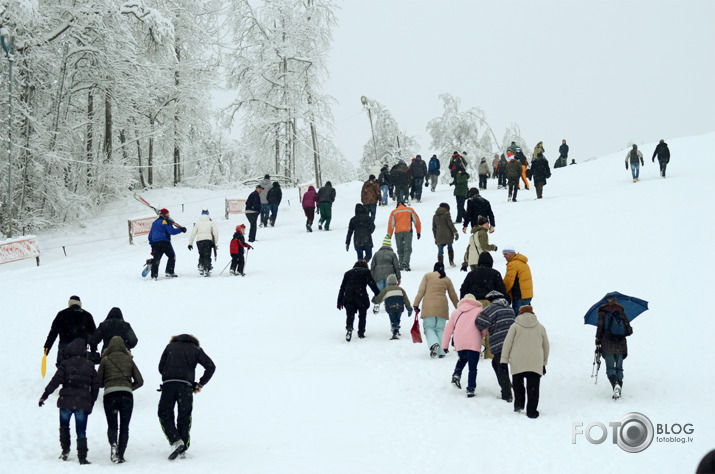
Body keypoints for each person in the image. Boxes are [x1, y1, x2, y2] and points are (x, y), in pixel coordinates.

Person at [39, 338, 100, 464]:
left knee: (64, 427)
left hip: (66, 402)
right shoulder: (89, 365)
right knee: (81, 431)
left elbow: (55, 381)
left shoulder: (65, 364)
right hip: (82, 403)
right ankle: (82, 457)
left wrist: (45, 395)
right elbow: (95, 386)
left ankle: (65, 451)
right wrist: (91, 401)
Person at [158, 334, 216, 460]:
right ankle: (182, 448)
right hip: (186, 386)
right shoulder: (195, 349)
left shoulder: (170, 347)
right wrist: (200, 383)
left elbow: (160, 367)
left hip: (169, 385)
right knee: (184, 416)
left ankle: (175, 440)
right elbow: (211, 366)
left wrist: (169, 374)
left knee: (164, 413)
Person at [97, 336, 143, 464]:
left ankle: (113, 446)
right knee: (124, 426)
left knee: (112, 425)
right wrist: (128, 387)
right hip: (126, 396)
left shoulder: (105, 359)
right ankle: (121, 454)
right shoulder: (129, 360)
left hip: (110, 395)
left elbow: (98, 381)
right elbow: (140, 381)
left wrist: (107, 384)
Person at [501, 305, 549, 418]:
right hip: (535, 361)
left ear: (520, 313)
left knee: (518, 384)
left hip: (518, 360)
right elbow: (546, 346)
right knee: (533, 388)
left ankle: (519, 404)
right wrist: (544, 362)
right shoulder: (540, 327)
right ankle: (531, 411)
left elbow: (507, 343)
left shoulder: (514, 327)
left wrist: (504, 360)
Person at [441, 294, 485, 398]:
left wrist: (445, 345)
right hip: (473, 340)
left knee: (463, 358)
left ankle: (457, 374)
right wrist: (481, 336)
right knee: (472, 367)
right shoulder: (479, 310)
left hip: (459, 340)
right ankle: (470, 389)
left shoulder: (456, 312)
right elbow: (483, 326)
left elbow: (448, 329)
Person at [476, 290, 516, 402]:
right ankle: (508, 385)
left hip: (499, 342)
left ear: (490, 300)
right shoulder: (509, 308)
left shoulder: (491, 308)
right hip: (512, 342)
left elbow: (480, 323)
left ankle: (507, 394)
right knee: (500, 364)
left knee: (500, 366)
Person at [413, 262, 459, 359]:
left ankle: (434, 344)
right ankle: (442, 351)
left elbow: (421, 291)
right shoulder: (446, 279)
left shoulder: (427, 276)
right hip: (442, 307)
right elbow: (453, 295)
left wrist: (416, 304)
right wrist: (459, 308)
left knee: (429, 328)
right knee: (440, 329)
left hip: (429, 306)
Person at [595, 297, 633, 399]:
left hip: (608, 345)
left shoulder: (602, 313)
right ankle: (619, 390)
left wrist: (598, 339)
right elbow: (629, 331)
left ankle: (615, 385)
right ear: (616, 302)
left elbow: (600, 329)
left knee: (610, 369)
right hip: (621, 345)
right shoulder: (621, 312)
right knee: (619, 368)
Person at [44, 296, 97, 367]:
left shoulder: (62, 314)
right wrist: (93, 349)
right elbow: (93, 334)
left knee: (63, 369)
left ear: (69, 303)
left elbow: (53, 333)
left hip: (64, 347)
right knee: (80, 370)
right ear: (80, 304)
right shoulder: (87, 315)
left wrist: (47, 347)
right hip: (81, 348)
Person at [337, 260, 380, 341]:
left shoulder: (348, 273)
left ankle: (349, 328)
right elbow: (372, 284)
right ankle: (361, 332)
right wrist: (378, 294)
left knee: (350, 315)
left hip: (349, 297)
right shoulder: (366, 272)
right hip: (361, 296)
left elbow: (342, 288)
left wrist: (339, 301)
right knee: (362, 316)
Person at [148, 208, 186, 279]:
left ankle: (154, 275)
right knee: (172, 256)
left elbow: (150, 235)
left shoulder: (154, 222)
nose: (169, 215)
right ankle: (169, 272)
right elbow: (171, 231)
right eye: (167, 213)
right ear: (164, 214)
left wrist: (152, 245)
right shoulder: (165, 221)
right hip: (164, 242)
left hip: (155, 243)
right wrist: (181, 229)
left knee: (156, 259)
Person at [372, 274, 413, 339]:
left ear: (388, 282)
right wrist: (409, 308)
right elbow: (405, 299)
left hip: (390, 307)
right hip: (399, 307)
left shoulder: (386, 289)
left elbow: (380, 297)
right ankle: (397, 328)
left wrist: (375, 300)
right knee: (398, 318)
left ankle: (395, 330)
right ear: (396, 282)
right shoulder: (400, 289)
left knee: (393, 319)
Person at [370, 234, 401, 313]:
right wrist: (398, 277)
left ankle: (377, 304)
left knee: (379, 292)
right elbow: (396, 267)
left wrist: (371, 277)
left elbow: (372, 266)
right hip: (389, 276)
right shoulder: (392, 254)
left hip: (378, 276)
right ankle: (388, 305)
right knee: (388, 291)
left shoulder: (377, 254)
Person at [387, 200, 422, 271]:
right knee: (407, 248)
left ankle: (400, 264)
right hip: (407, 231)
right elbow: (416, 221)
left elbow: (391, 224)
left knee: (400, 249)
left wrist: (389, 235)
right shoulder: (410, 210)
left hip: (398, 232)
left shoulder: (394, 212)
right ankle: (405, 262)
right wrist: (418, 232)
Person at [502, 244, 533, 314]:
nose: (504, 256)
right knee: (527, 316)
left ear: (511, 254)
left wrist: (503, 291)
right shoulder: (522, 262)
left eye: (506, 254)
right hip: (527, 295)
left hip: (519, 296)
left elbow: (508, 282)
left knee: (518, 319)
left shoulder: (512, 264)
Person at [187, 209, 219, 276]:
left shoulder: (197, 223)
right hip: (208, 240)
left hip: (199, 241)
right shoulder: (211, 223)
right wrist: (215, 242)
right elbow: (215, 232)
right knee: (207, 254)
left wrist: (190, 243)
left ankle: (201, 266)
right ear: (208, 214)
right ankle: (207, 268)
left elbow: (193, 233)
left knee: (201, 254)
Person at [432, 202, 459, 267]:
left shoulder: (435, 216)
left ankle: (440, 264)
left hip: (439, 235)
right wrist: (455, 232)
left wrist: (435, 237)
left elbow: (433, 228)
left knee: (440, 251)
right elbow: (450, 224)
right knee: (450, 247)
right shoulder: (446, 214)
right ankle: (451, 262)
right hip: (448, 235)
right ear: (446, 208)